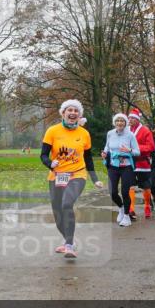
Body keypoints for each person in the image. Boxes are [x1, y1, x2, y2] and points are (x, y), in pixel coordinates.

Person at [41, 100, 103, 258]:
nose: (73, 112)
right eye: (70, 110)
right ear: (63, 113)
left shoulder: (84, 134)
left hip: (77, 174)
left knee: (67, 204)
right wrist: (50, 163)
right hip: (56, 176)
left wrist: (94, 179)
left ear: (79, 115)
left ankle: (69, 245)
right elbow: (42, 155)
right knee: (57, 213)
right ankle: (69, 240)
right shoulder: (52, 131)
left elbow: (88, 159)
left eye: (76, 110)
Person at [101, 113, 140, 228]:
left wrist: (129, 150)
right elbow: (107, 147)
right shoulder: (110, 133)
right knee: (112, 192)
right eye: (117, 120)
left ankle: (127, 216)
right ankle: (122, 208)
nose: (119, 123)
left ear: (125, 123)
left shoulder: (130, 135)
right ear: (114, 122)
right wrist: (104, 153)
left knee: (124, 192)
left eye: (122, 121)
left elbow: (137, 152)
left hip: (126, 166)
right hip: (113, 166)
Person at [126, 109, 155, 219]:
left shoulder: (145, 130)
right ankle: (131, 209)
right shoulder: (126, 130)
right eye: (129, 118)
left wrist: (135, 148)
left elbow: (151, 147)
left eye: (133, 118)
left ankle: (147, 205)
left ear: (138, 120)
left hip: (143, 163)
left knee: (146, 187)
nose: (130, 120)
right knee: (130, 186)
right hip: (129, 163)